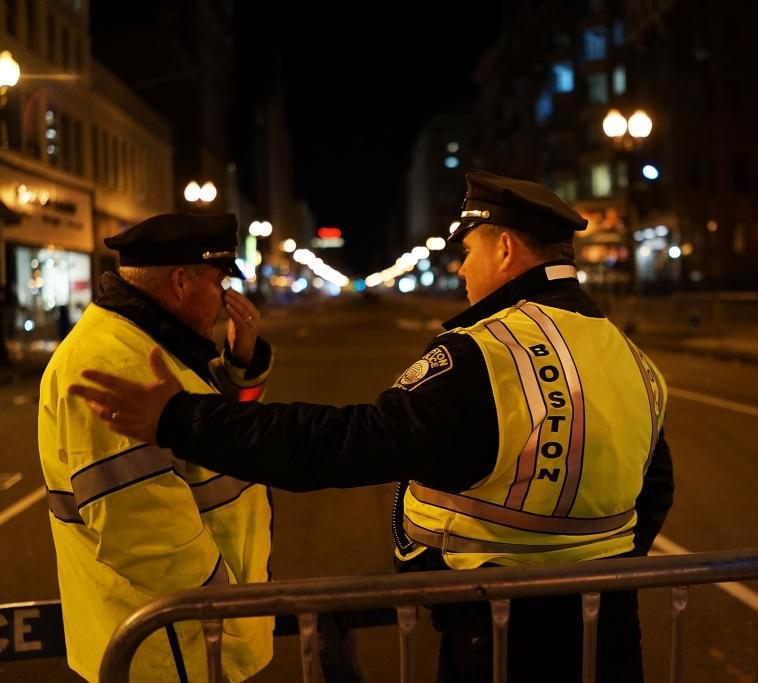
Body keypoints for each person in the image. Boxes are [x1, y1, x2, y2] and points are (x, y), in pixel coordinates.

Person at [70, 170, 674, 682]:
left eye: (470, 251)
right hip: (611, 629)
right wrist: (598, 568)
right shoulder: (629, 356)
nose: (463, 269)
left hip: (499, 632)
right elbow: (656, 486)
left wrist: (180, 418)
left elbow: (342, 444)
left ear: (507, 251)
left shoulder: (486, 355)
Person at [40, 213, 275, 683]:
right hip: (173, 648)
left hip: (195, 636)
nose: (229, 297)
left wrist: (240, 365)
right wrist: (225, 607)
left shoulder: (153, 340)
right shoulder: (112, 362)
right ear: (182, 282)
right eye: (220, 281)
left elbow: (206, 432)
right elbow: (145, 534)